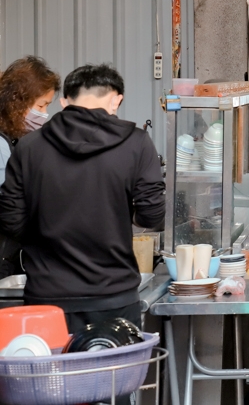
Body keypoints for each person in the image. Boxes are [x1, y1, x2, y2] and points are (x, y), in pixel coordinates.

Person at [0, 64, 165, 334]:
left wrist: (44, 236)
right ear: (116, 99)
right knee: (114, 375)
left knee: (50, 376)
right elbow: (152, 215)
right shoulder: (136, 143)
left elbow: (11, 219)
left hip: (47, 296)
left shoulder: (29, 147)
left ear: (66, 101)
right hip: (113, 294)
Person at [0, 57, 62, 279]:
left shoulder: (16, 139)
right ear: (17, 101)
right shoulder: (1, 144)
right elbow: (7, 209)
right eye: (41, 105)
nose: (44, 114)